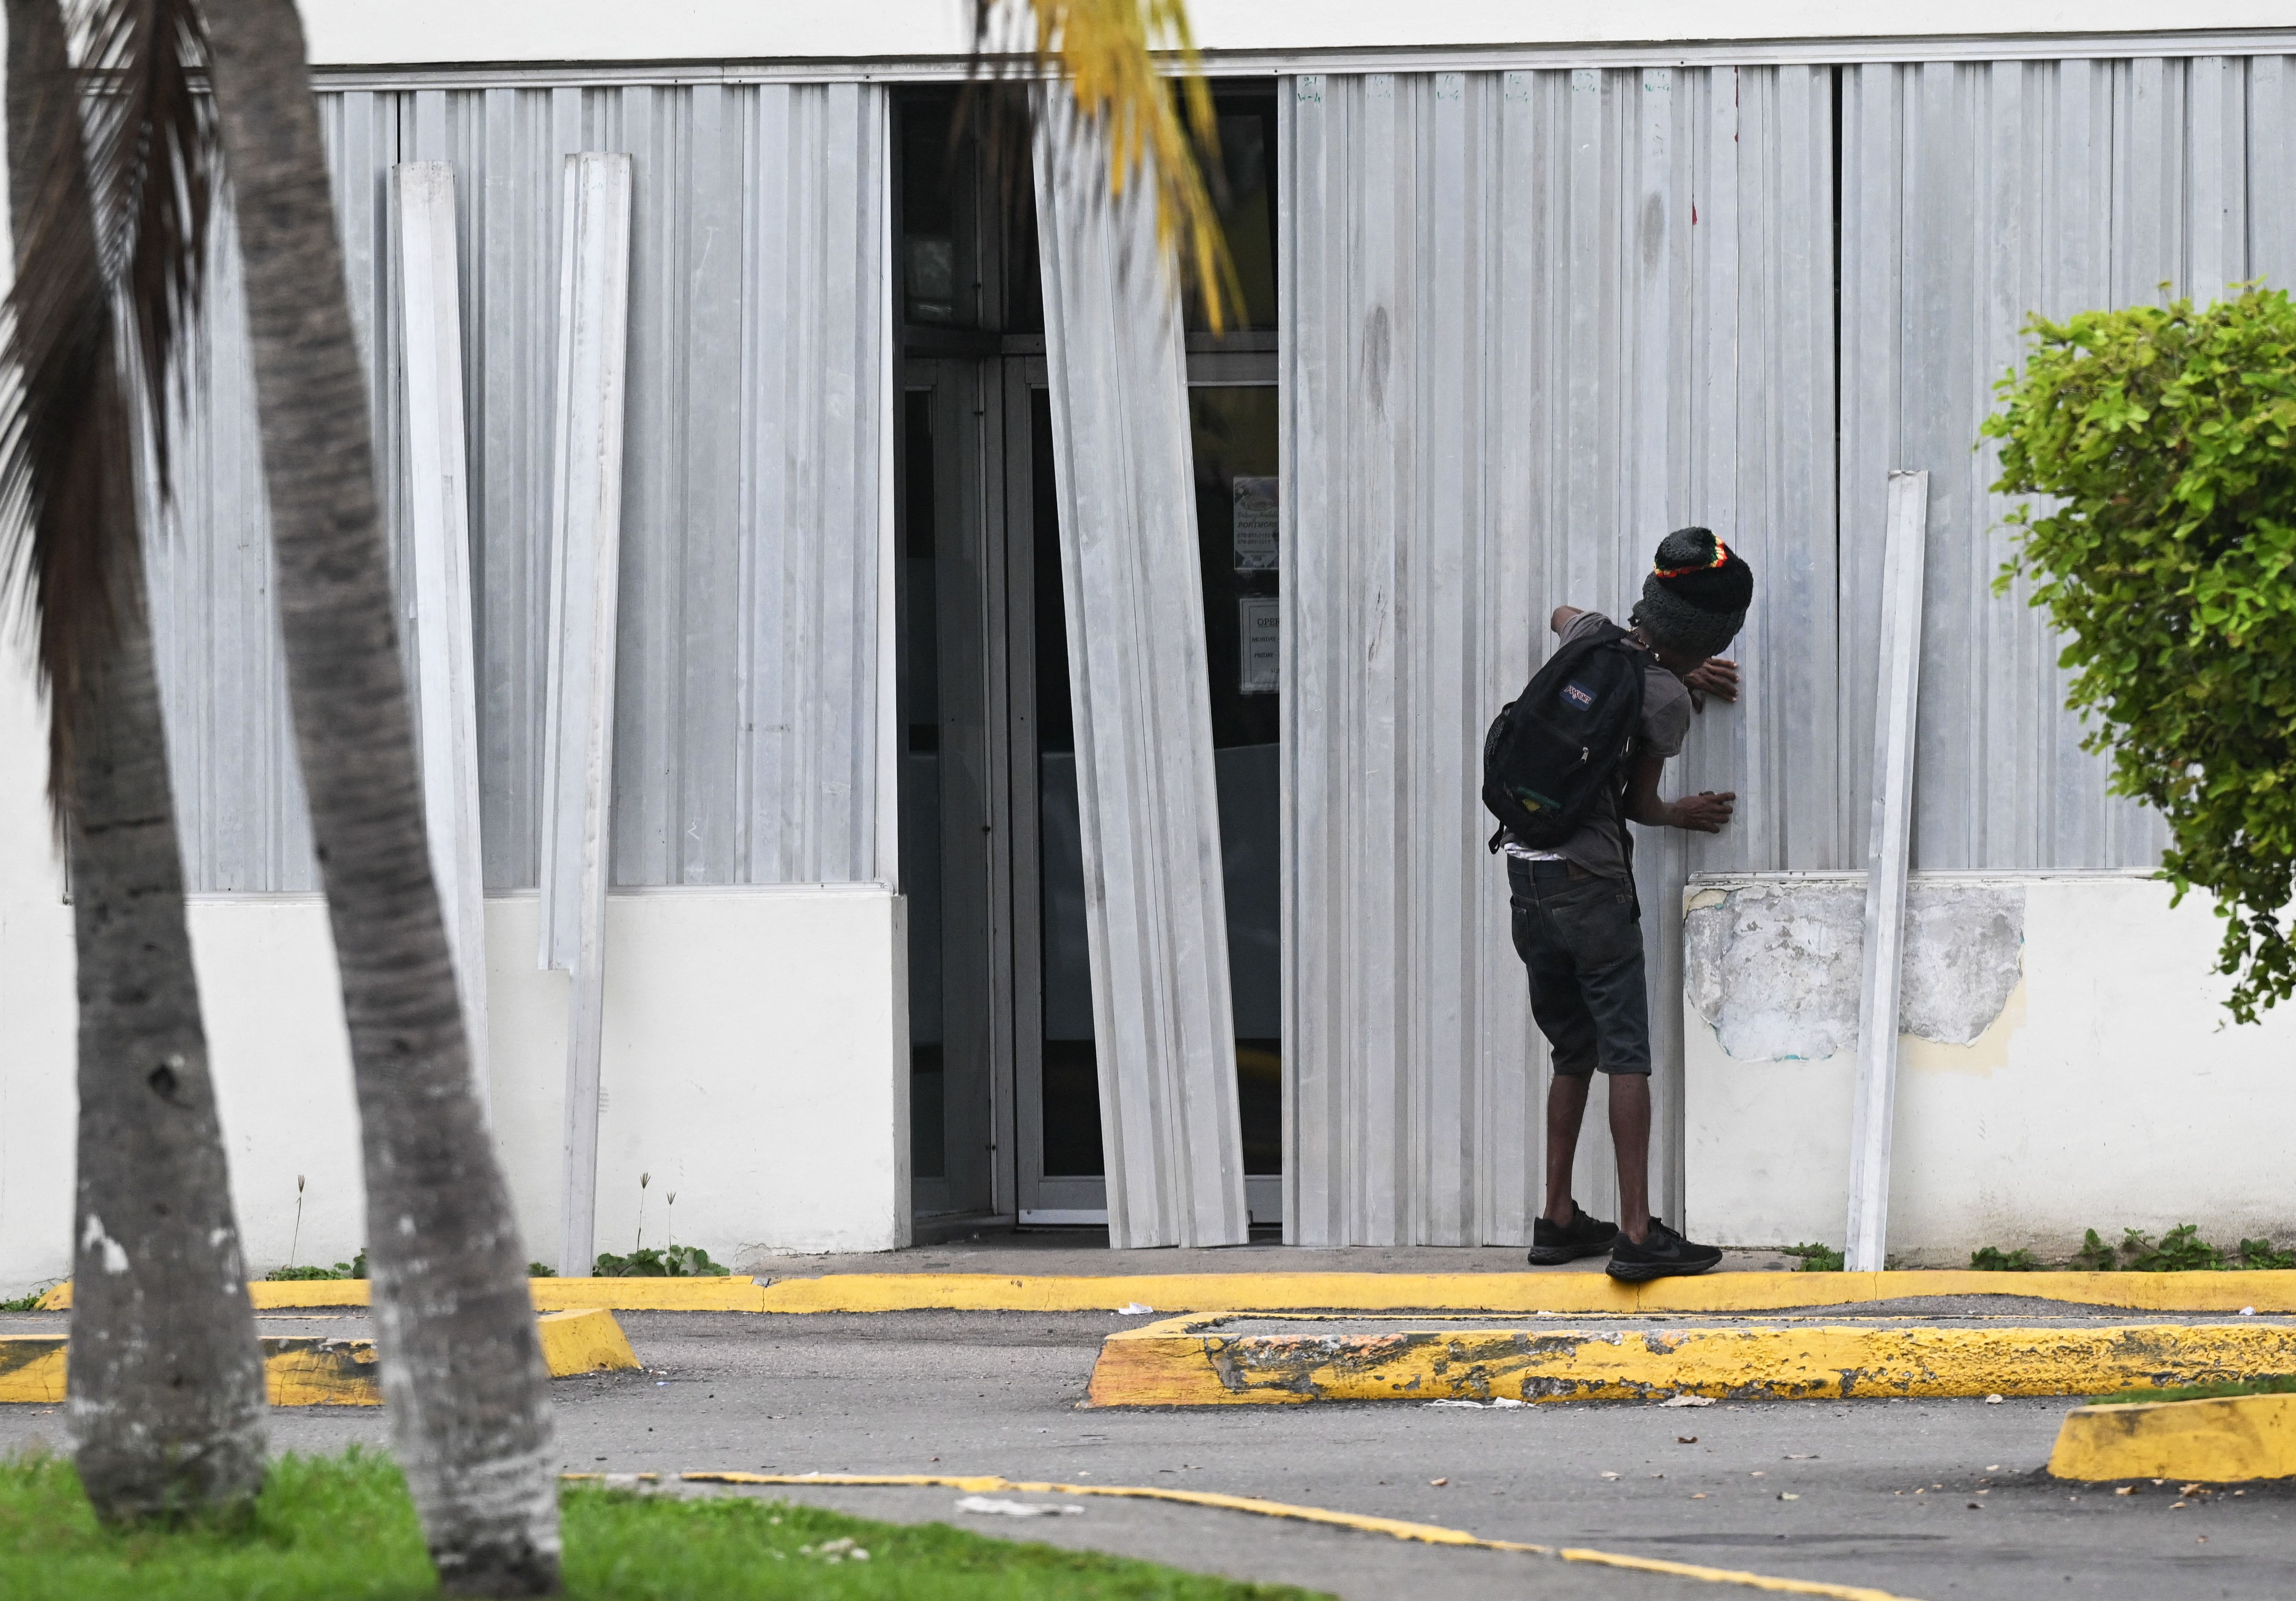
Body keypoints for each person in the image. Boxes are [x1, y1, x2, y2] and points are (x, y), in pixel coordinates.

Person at [1505, 526, 1751, 1281]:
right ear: (1711, 637)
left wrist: (1663, 652)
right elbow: (1640, 805)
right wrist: (1687, 811)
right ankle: (1638, 1234)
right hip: (1592, 886)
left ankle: (1556, 1217)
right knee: (1626, 1055)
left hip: (1526, 873)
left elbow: (1558, 612)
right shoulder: (1667, 698)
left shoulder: (1592, 637)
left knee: (1569, 1050)